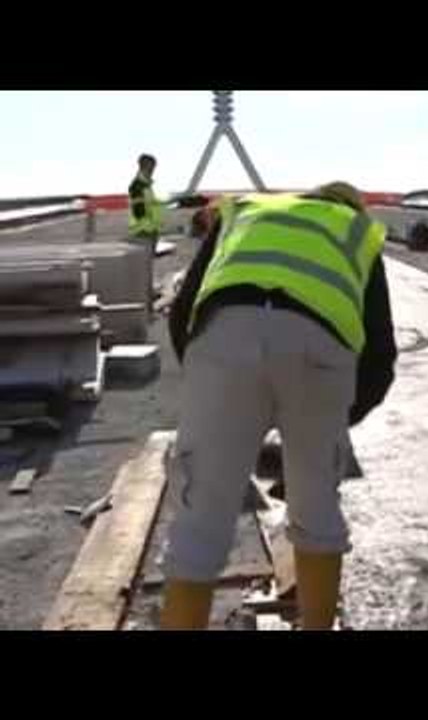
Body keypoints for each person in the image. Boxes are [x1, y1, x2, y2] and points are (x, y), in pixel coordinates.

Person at [161, 182, 397, 630]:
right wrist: (331, 425)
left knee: (199, 524)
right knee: (318, 514)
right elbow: (380, 359)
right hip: (319, 352)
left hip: (222, 338)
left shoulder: (245, 211)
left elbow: (184, 308)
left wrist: (206, 386)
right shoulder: (356, 230)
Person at [128, 154, 165, 315]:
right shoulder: (137, 186)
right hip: (143, 233)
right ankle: (146, 308)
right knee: (144, 272)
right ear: (144, 166)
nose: (153, 170)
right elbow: (139, 213)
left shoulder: (146, 185)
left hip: (150, 232)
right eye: (152, 167)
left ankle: (148, 304)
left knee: (147, 270)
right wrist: (150, 229)